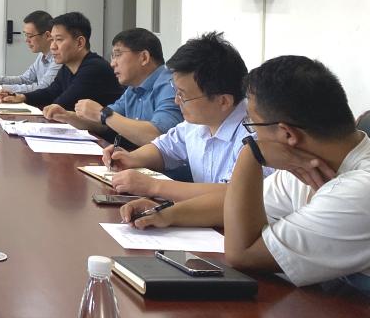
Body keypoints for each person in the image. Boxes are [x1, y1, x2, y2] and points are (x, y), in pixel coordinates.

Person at [122, 57, 370, 296]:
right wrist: (166, 213)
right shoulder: (308, 164)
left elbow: (243, 254)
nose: (252, 135)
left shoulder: (358, 192)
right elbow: (239, 202)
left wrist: (251, 154)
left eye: (252, 125)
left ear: (287, 134)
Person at [102, 31, 257, 203]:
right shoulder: (197, 123)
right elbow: (164, 148)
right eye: (176, 92)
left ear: (223, 101)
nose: (176, 101)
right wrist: (131, 158)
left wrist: (154, 186)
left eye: (183, 95)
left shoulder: (254, 135)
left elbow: (235, 194)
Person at [64, 28, 182, 149]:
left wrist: (102, 114)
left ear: (144, 57)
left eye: (117, 55)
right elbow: (104, 123)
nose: (112, 64)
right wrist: (66, 116)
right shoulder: (133, 88)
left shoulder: (171, 86)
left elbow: (160, 137)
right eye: (112, 57)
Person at [0, 11, 122, 115]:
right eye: (52, 40)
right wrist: (22, 97)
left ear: (80, 43)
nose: (52, 46)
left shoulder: (94, 69)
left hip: (103, 135)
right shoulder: (67, 67)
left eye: (58, 40)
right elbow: (50, 92)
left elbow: (61, 104)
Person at [0, 10, 59, 95]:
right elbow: (25, 79)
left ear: (47, 35)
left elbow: (43, 88)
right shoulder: (42, 54)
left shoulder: (58, 59)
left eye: (30, 36)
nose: (26, 40)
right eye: (25, 35)